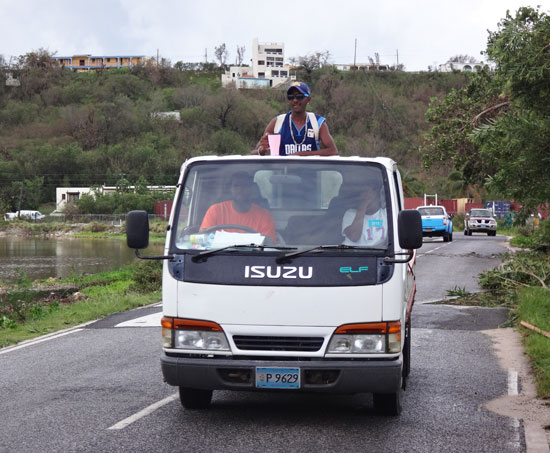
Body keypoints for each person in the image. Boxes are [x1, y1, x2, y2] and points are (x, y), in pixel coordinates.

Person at [253, 81, 338, 156]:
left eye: (299, 96)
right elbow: (254, 154)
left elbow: (333, 151)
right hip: (282, 173)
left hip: (310, 173)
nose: (295, 100)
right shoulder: (277, 122)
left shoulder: (317, 123)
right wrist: (262, 150)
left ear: (308, 99)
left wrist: (302, 155)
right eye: (291, 97)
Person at [200, 172, 277, 244]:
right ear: (230, 190)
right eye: (237, 186)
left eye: (245, 185)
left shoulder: (264, 216)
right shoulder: (215, 211)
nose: (241, 189)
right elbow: (202, 240)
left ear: (251, 189)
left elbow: (268, 246)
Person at [341, 179, 387, 247]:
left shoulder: (386, 214)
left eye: (371, 193)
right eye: (364, 194)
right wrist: (363, 204)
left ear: (379, 197)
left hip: (379, 254)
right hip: (352, 253)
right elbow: (354, 237)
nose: (367, 196)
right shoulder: (350, 214)